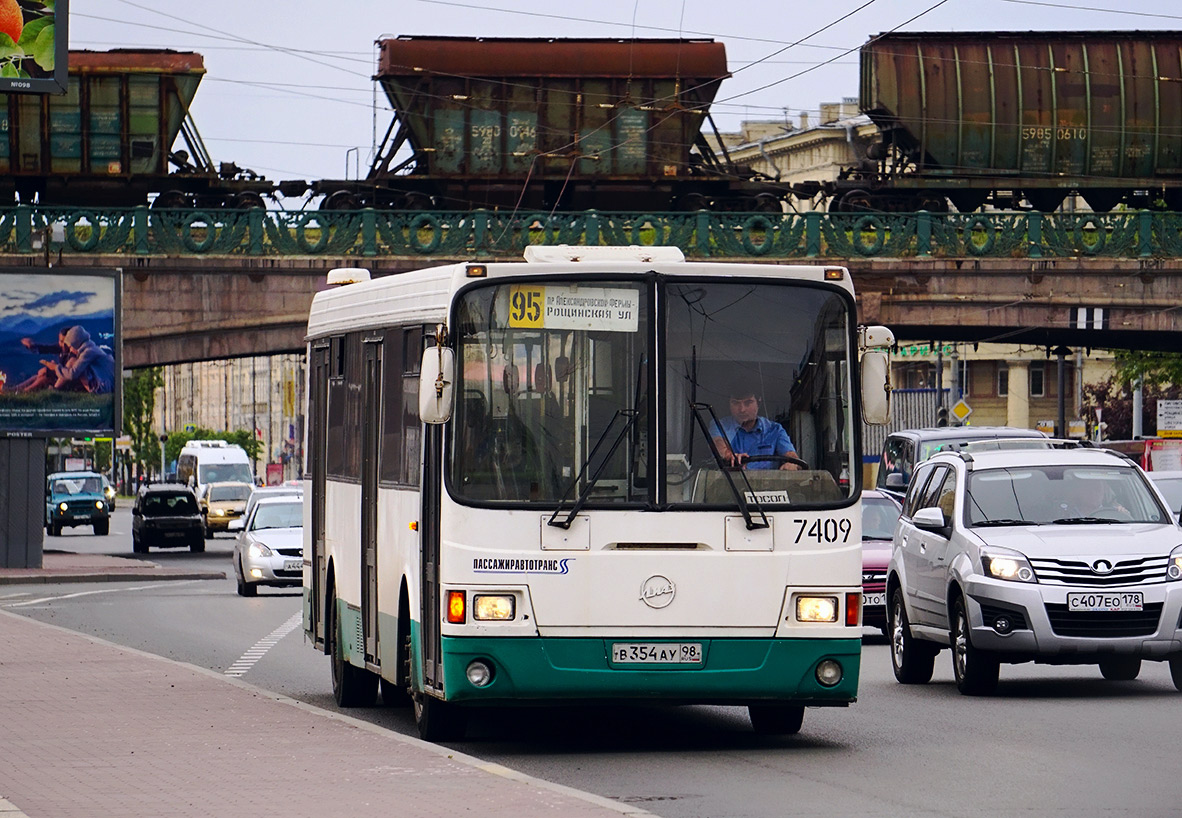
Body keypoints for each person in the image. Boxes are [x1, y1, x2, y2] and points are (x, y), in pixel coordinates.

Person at [710, 385, 799, 470]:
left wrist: (792, 463)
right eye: (736, 403)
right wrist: (729, 456)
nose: (742, 409)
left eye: (748, 403)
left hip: (768, 484)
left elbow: (791, 455)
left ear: (758, 403)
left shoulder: (775, 430)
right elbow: (719, 444)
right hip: (729, 484)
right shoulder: (720, 425)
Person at [46, 326, 115, 394]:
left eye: (71, 346)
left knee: (73, 361)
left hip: (102, 388)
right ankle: (56, 388)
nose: (70, 349)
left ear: (76, 344)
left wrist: (56, 368)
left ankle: (55, 389)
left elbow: (72, 374)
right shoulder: (91, 347)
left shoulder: (88, 352)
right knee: (74, 362)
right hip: (107, 383)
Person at [10, 328, 75, 393]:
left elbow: (67, 373)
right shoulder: (61, 347)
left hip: (67, 382)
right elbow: (46, 348)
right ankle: (14, 389)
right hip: (60, 376)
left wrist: (49, 371)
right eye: (61, 341)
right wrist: (31, 346)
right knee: (36, 376)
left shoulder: (74, 353)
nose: (62, 344)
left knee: (44, 378)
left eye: (65, 342)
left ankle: (22, 393)